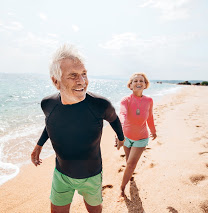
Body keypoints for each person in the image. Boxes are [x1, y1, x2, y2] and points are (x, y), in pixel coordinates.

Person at [30, 44, 125, 213]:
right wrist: (39, 144)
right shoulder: (48, 104)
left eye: (84, 74)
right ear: (55, 81)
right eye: (73, 75)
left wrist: (121, 137)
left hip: (92, 176)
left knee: (94, 210)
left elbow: (114, 119)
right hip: (61, 174)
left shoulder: (100, 105)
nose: (82, 81)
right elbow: (51, 123)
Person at [117, 73, 157, 197]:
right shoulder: (126, 100)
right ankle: (130, 176)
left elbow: (149, 117)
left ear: (145, 85)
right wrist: (120, 133)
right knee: (128, 160)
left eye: (141, 81)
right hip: (126, 137)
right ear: (130, 85)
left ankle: (122, 187)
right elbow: (122, 115)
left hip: (141, 138)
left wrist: (153, 131)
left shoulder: (149, 100)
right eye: (135, 81)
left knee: (131, 164)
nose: (138, 82)